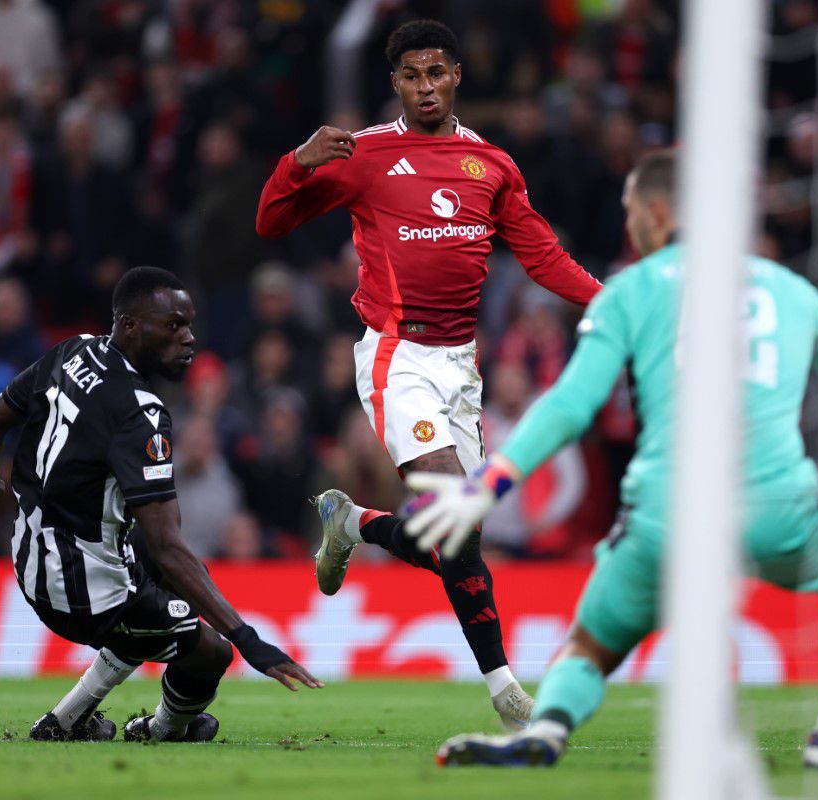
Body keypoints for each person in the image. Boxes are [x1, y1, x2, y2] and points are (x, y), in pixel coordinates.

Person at [404, 151, 818, 770]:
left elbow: (571, 403)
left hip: (665, 515)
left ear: (659, 212)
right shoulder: (789, 289)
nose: (629, 224)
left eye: (631, 211)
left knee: (589, 644)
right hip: (779, 508)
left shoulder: (632, 289)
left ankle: (548, 730)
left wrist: (489, 484)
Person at [255, 19, 601, 728]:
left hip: (460, 367)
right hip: (397, 354)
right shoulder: (366, 154)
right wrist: (296, 159)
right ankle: (507, 693)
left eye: (436, 72)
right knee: (451, 504)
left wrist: (614, 301)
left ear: (456, 77)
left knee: (461, 537)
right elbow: (270, 222)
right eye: (411, 75)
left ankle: (355, 523)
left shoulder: (494, 166)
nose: (425, 87)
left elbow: (542, 258)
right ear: (395, 84)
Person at [0, 266, 321, 744]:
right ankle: (158, 729)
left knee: (152, 586)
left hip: (28, 555)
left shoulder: (74, 350)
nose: (188, 339)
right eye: (173, 326)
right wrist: (248, 640)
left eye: (189, 325)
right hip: (79, 591)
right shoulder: (141, 413)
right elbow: (168, 546)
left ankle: (70, 719)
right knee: (210, 651)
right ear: (130, 326)